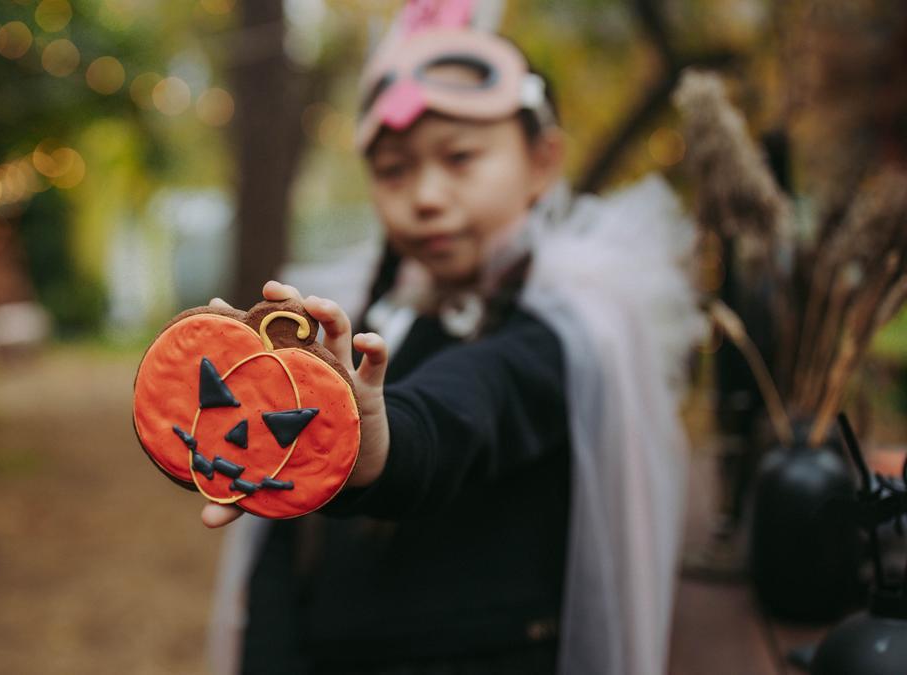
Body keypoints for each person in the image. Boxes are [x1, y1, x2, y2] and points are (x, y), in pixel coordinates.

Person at [196, 1, 703, 673]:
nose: (426, 195)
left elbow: (471, 403)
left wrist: (375, 442)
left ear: (543, 160)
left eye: (459, 157)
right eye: (395, 170)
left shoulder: (568, 328)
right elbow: (283, 558)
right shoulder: (360, 317)